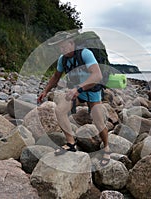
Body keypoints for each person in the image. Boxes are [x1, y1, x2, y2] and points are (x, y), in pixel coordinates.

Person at [37, 31, 110, 166]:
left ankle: (106, 148)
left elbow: (97, 76)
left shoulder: (85, 54)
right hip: (77, 91)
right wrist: (45, 91)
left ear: (72, 43)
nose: (62, 49)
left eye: (64, 46)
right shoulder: (62, 59)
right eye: (60, 47)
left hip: (91, 90)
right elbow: (55, 77)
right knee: (60, 110)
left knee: (99, 123)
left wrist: (79, 88)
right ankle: (71, 142)